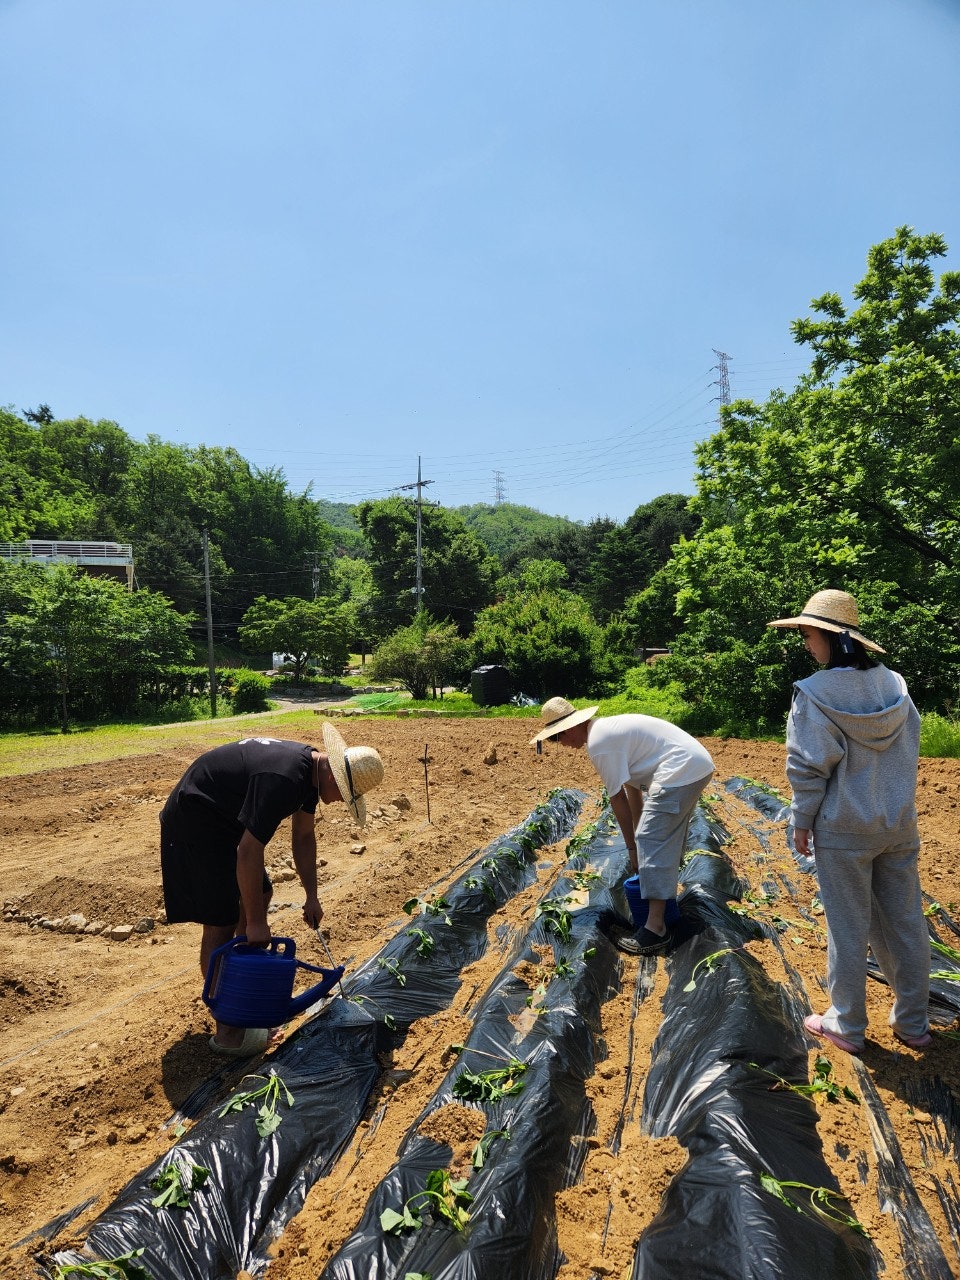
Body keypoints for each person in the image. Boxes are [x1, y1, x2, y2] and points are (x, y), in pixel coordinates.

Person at [768, 588, 932, 1053]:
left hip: (844, 829)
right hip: (898, 824)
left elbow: (807, 765)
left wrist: (801, 820)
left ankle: (846, 1024)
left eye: (806, 634)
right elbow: (909, 750)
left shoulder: (814, 694)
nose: (804, 643)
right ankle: (914, 1023)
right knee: (904, 920)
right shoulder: (895, 686)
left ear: (827, 636)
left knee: (848, 925)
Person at [160, 722, 384, 1056]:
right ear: (335, 777)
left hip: (225, 820)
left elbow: (304, 837)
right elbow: (249, 851)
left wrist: (311, 895)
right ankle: (229, 1031)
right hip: (197, 819)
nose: (339, 802)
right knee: (222, 921)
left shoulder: (310, 775)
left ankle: (243, 997)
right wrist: (255, 923)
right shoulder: (284, 779)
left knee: (260, 895)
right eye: (345, 796)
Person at [531, 698, 714, 956]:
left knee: (655, 840)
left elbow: (617, 799)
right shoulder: (606, 731)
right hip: (693, 766)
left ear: (571, 727)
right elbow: (631, 790)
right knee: (653, 839)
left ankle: (655, 928)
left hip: (680, 771)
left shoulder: (599, 744)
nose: (561, 744)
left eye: (558, 737)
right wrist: (640, 841)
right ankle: (663, 907)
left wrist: (633, 847)